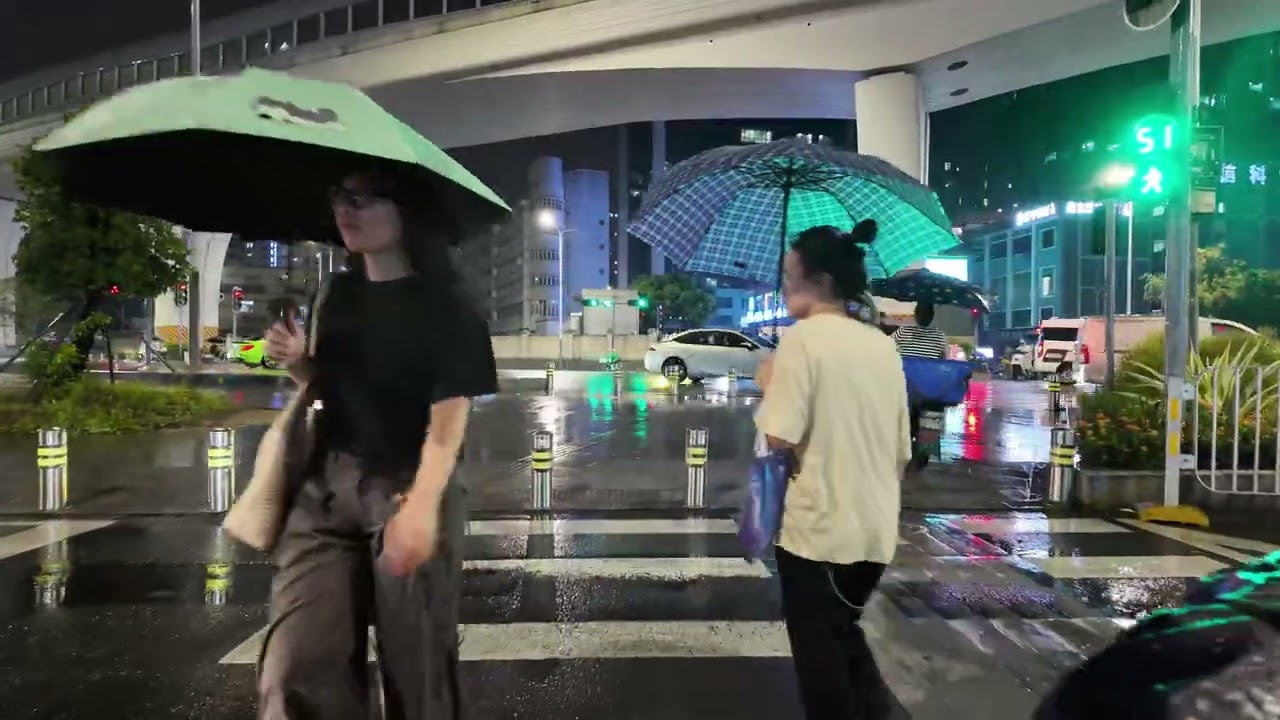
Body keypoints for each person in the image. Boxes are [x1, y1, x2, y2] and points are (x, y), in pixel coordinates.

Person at [257, 169, 498, 720]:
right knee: (294, 667)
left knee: (418, 671)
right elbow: (329, 390)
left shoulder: (448, 307)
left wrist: (419, 509)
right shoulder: (335, 294)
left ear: (406, 211)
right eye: (341, 196)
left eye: (365, 198)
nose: (348, 209)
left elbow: (447, 425)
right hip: (323, 492)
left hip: (405, 486)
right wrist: (299, 363)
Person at [755, 221, 909, 720]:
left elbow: (779, 436)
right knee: (844, 638)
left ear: (818, 282)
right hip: (874, 535)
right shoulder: (882, 344)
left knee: (822, 672)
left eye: (788, 275)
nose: (783, 286)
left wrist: (770, 380)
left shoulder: (803, 341)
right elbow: (901, 449)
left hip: (818, 534)